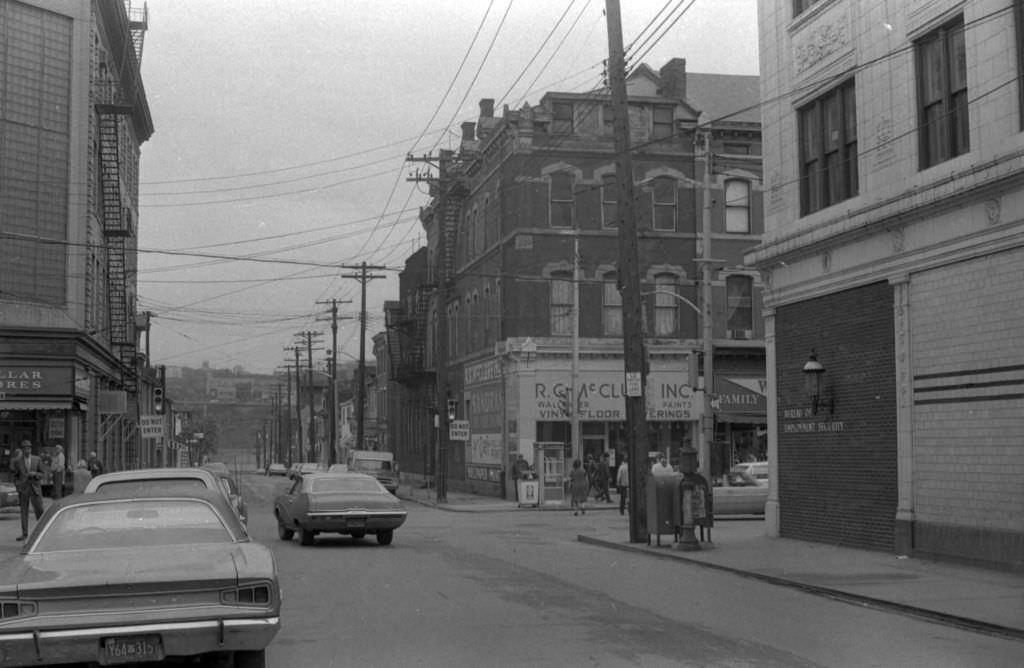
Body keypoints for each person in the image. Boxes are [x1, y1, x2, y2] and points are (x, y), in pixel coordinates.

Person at [11, 441, 44, 541]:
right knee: (24, 511)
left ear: (31, 449)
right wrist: (18, 486)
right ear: (22, 450)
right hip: (24, 489)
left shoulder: (37, 459)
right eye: (25, 448)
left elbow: (43, 473)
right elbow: (15, 475)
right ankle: (24, 534)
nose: (27, 450)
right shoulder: (17, 461)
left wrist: (35, 474)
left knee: (39, 510)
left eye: (29, 448)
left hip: (35, 488)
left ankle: (42, 532)